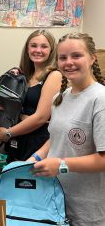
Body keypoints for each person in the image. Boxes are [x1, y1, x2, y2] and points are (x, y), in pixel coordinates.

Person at [31, 33, 105, 226]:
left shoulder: (100, 99)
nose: (68, 62)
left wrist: (62, 165)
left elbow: (103, 159)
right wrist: (35, 158)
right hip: (56, 199)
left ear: (92, 58)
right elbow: (56, 138)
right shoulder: (59, 98)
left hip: (88, 208)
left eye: (76, 56)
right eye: (63, 58)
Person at [0, 30, 62, 162]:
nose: (38, 50)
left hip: (37, 144)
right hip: (18, 139)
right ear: (27, 49)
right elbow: (15, 106)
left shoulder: (54, 75)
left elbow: (40, 118)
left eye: (44, 46)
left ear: (51, 50)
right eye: (34, 45)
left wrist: (9, 133)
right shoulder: (25, 75)